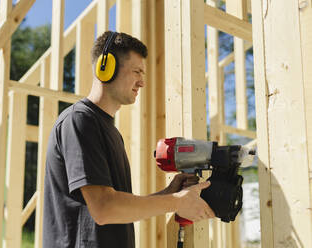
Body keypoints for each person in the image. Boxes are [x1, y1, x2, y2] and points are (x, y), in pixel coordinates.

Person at [42, 31, 215, 248]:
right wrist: (177, 201)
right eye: (137, 71)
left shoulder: (110, 131)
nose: (142, 82)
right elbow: (104, 208)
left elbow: (117, 207)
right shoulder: (80, 121)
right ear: (105, 68)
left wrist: (169, 194)